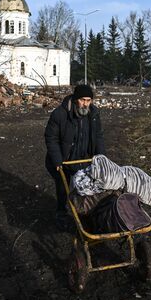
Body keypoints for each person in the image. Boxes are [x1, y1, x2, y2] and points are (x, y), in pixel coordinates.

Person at [44, 84, 105, 230]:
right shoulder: (60, 114)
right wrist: (57, 160)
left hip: (83, 158)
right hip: (63, 159)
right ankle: (61, 213)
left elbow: (98, 136)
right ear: (75, 99)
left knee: (84, 187)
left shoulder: (93, 114)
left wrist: (101, 157)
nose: (86, 103)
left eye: (89, 100)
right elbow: (51, 137)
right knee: (62, 188)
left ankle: (84, 213)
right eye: (83, 100)